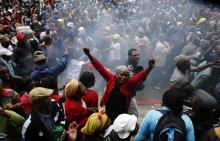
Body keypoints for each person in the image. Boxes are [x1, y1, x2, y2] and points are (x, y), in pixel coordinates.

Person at [83, 47, 155, 122]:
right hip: (110, 108)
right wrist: (89, 55)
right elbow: (99, 67)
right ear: (116, 74)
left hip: (122, 111)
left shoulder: (128, 83)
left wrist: (149, 68)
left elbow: (140, 76)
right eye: (121, 75)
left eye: (125, 75)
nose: (123, 77)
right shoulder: (111, 78)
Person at [125, 48, 144, 117]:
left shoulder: (134, 64)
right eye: (135, 55)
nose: (137, 56)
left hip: (130, 93)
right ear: (129, 56)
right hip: (128, 93)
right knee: (136, 113)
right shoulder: (128, 66)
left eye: (138, 54)